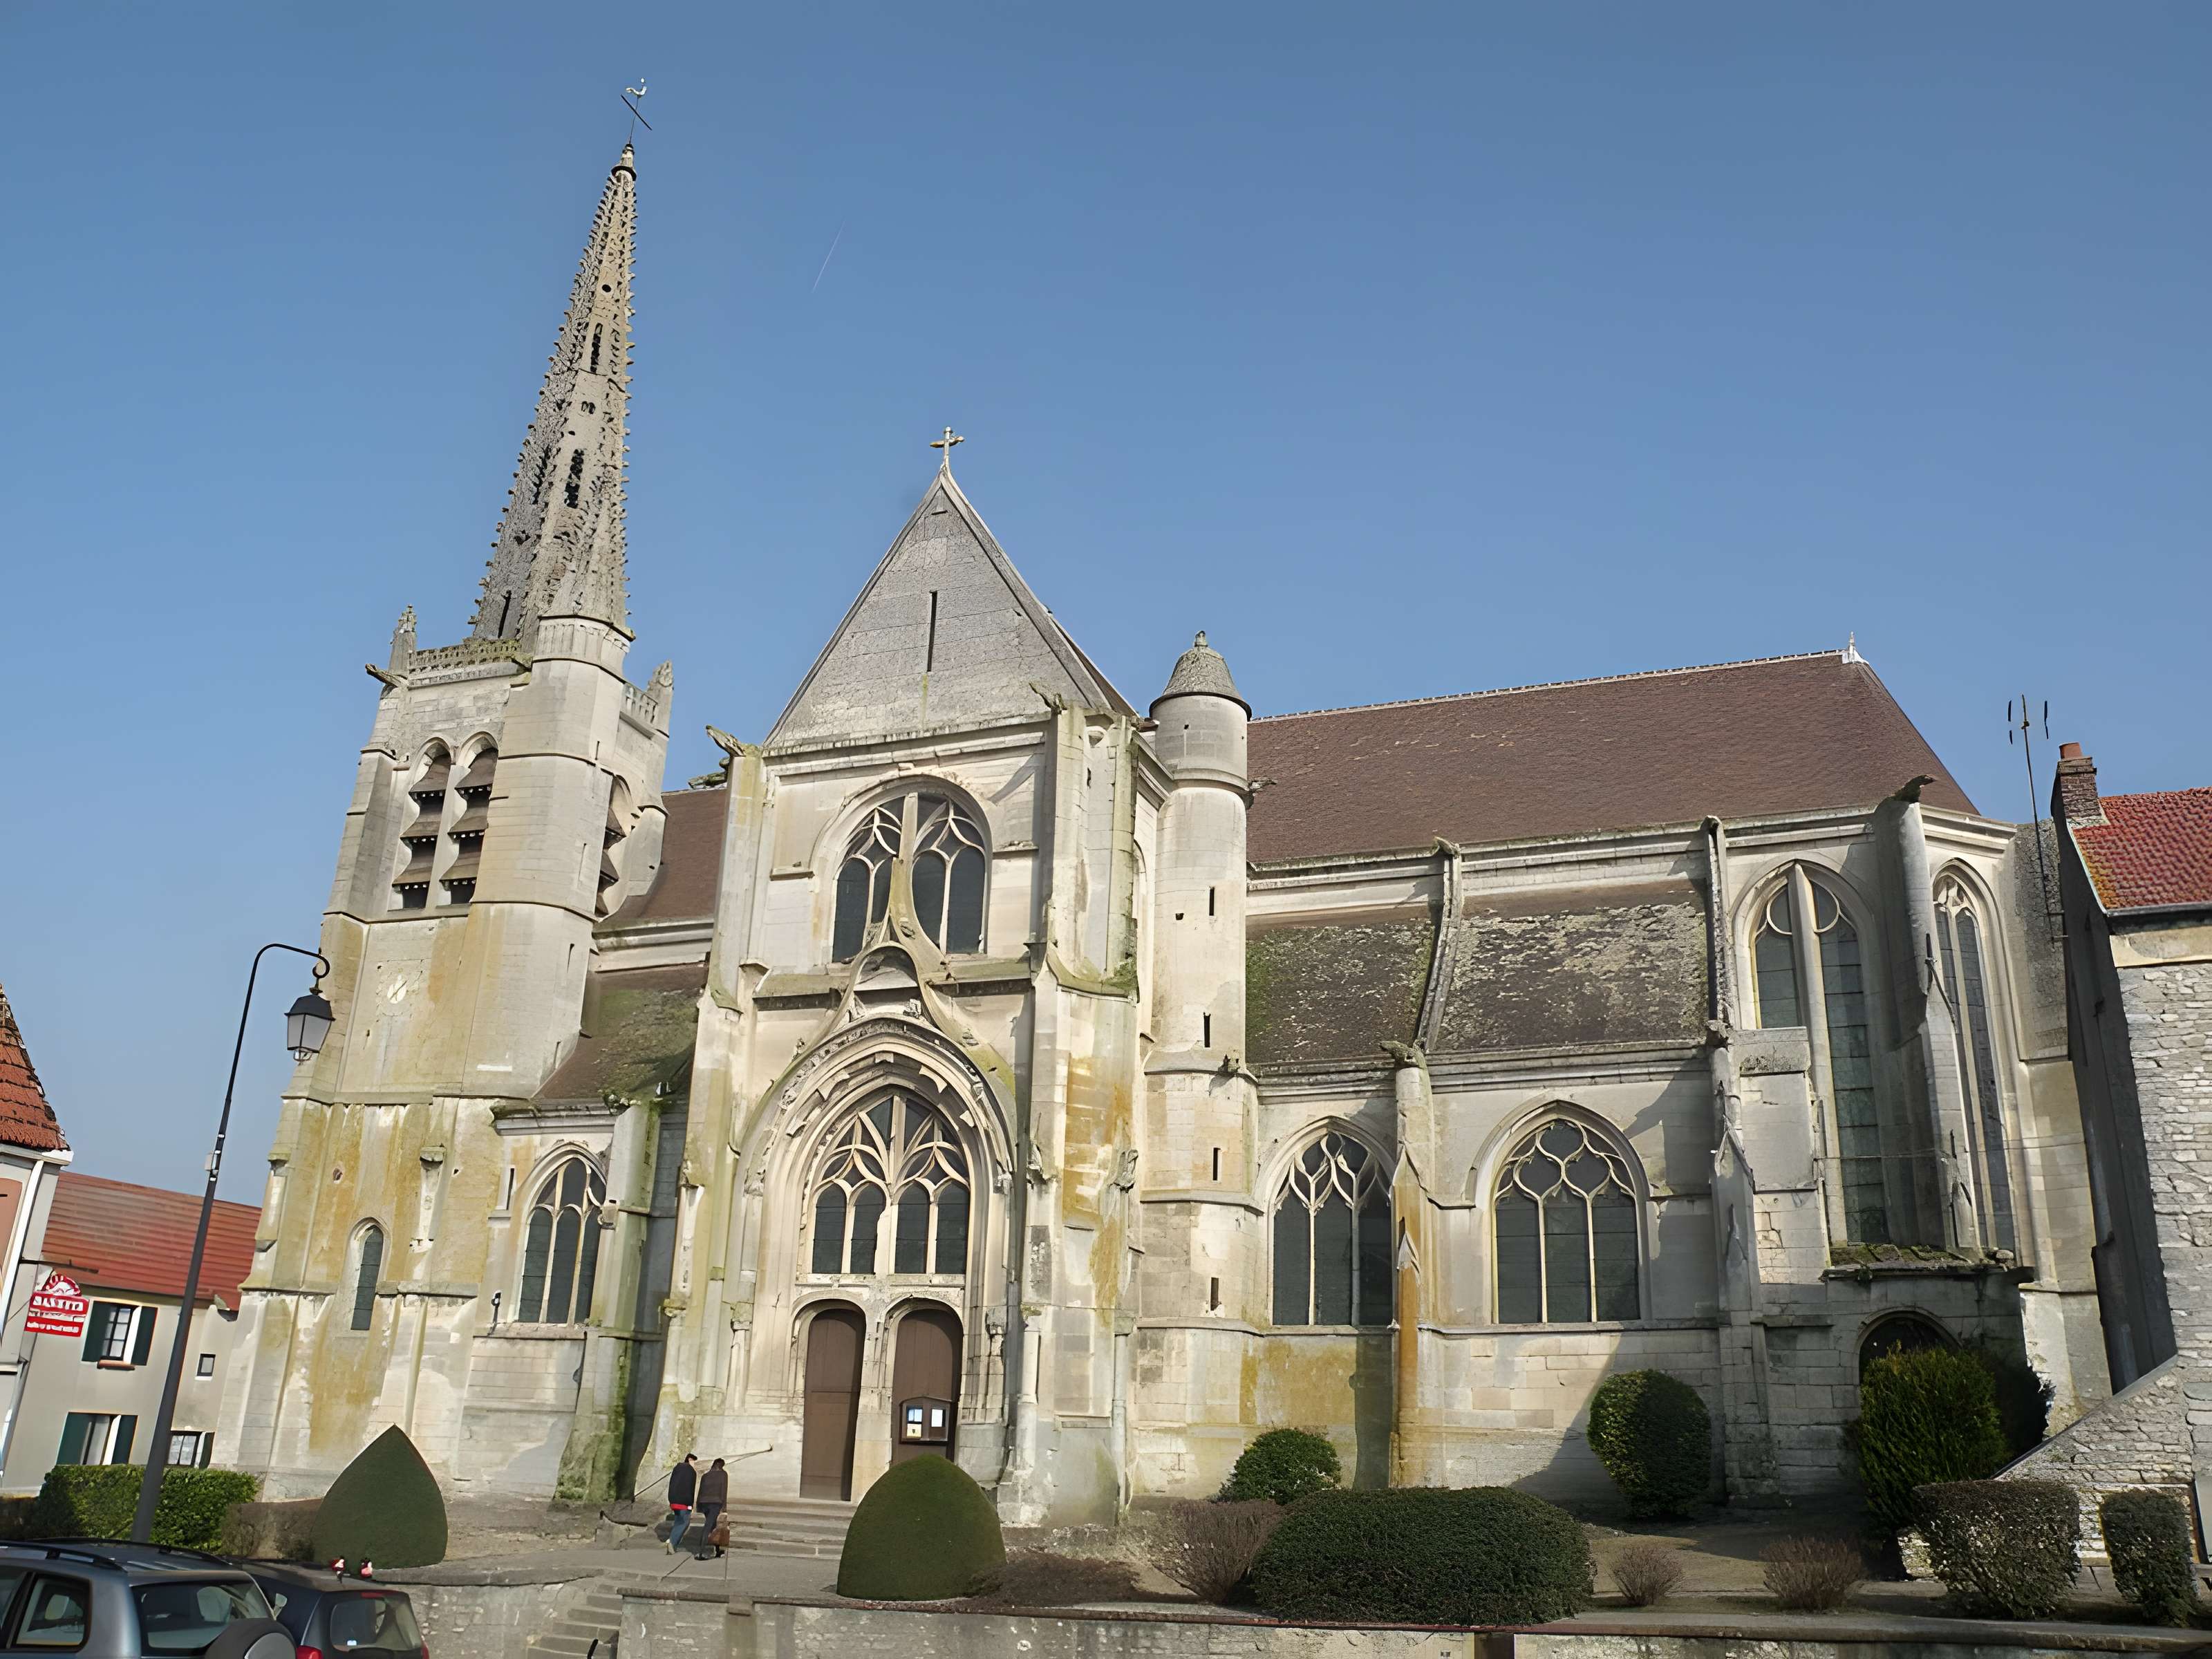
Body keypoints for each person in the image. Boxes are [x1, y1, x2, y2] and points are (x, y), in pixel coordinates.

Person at [695, 1457, 729, 1558]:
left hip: (704, 1503)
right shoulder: (723, 1475)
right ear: (720, 1466)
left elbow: (700, 1491)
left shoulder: (705, 1476)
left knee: (713, 1525)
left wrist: (698, 1505)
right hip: (715, 1503)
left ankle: (716, 1549)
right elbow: (724, 1490)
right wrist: (724, 1506)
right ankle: (701, 1551)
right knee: (709, 1526)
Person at [665, 1453, 697, 1555]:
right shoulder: (691, 1472)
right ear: (690, 1460)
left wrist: (671, 1501)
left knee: (678, 1522)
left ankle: (673, 1543)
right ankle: (672, 1543)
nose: (694, 1464)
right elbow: (690, 1489)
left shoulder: (677, 1469)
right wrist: (691, 1505)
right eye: (694, 1462)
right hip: (684, 1502)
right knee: (684, 1523)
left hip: (674, 1501)